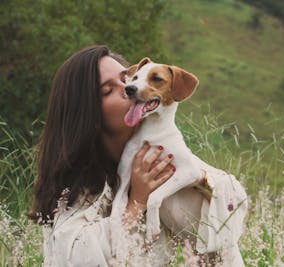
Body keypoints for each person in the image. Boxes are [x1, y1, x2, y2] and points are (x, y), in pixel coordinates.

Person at [29, 45, 247, 266]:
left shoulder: (159, 151)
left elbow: (235, 202)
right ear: (86, 111)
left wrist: (197, 179)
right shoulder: (76, 186)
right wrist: (136, 202)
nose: (129, 88)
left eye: (128, 78)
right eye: (108, 90)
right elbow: (75, 256)